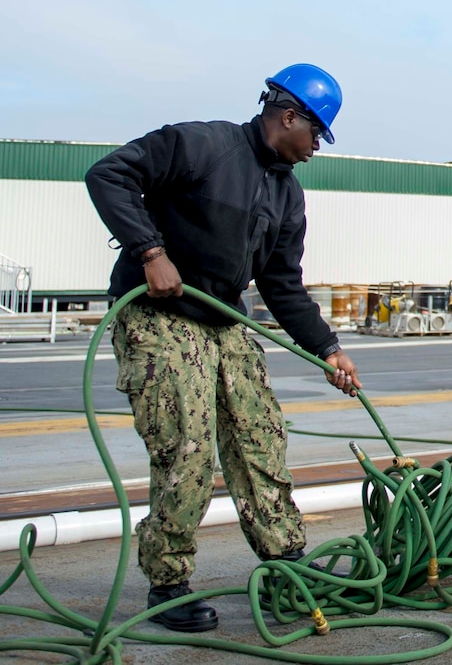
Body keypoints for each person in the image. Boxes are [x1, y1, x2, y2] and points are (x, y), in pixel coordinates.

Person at [85, 64, 362, 633]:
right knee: (186, 446)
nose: (315, 149)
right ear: (289, 116)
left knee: (258, 434)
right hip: (158, 315)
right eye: (316, 135)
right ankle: (168, 584)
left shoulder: (287, 194)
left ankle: (285, 560)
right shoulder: (201, 144)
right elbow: (108, 174)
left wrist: (328, 348)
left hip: (223, 319)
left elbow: (283, 282)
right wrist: (149, 251)